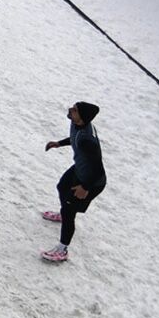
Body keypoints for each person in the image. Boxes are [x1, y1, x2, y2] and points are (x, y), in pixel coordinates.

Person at [40, 102, 105, 263]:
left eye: (75, 110)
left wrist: (85, 187)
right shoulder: (78, 125)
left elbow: (97, 168)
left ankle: (62, 250)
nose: (70, 110)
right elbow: (74, 138)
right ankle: (64, 213)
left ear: (82, 118)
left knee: (70, 211)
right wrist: (59, 143)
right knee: (62, 186)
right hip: (79, 169)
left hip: (91, 180)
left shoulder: (88, 141)